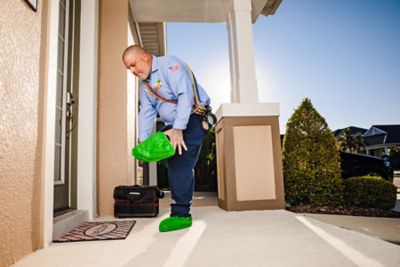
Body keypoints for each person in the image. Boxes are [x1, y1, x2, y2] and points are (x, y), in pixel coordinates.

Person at [122, 45, 210, 232]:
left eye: (132, 65)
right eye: (128, 68)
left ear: (144, 57)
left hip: (194, 118)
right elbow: (146, 112)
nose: (132, 71)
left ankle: (181, 215)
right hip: (175, 124)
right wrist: (143, 141)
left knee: (180, 160)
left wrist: (178, 129)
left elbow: (185, 95)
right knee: (173, 159)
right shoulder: (145, 85)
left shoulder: (170, 65)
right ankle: (182, 205)